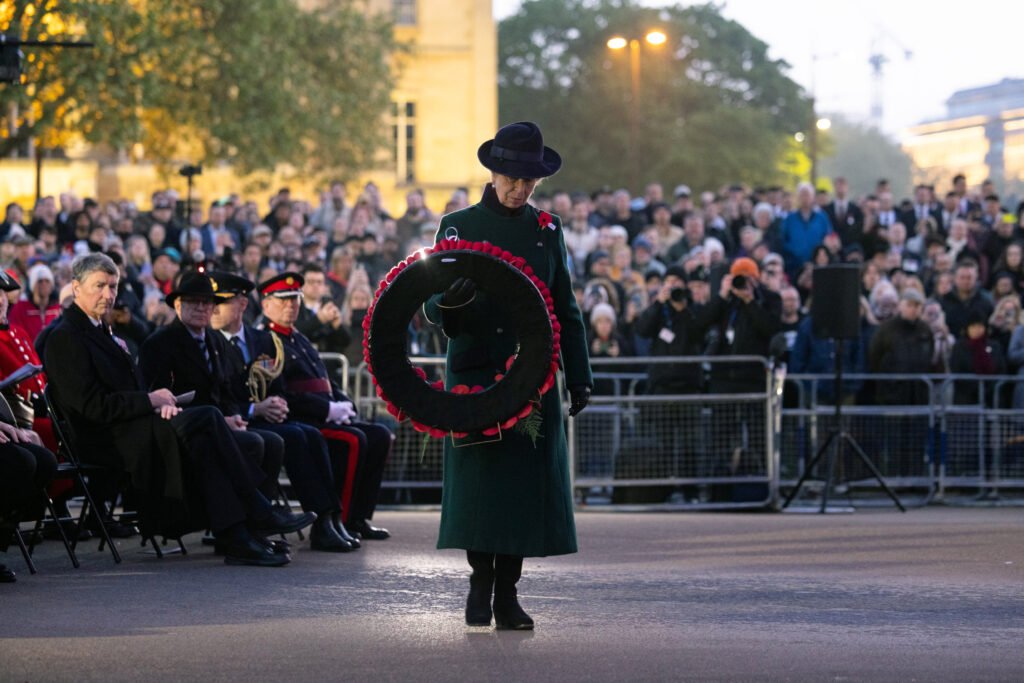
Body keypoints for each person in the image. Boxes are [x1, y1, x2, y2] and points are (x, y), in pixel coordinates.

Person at [422, 121, 592, 630]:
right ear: (493, 172)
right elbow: (428, 302)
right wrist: (447, 302)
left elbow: (565, 304)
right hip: (475, 372)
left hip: (532, 374)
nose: (520, 189)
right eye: (511, 178)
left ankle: (507, 595)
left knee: (520, 486)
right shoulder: (457, 225)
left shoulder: (547, 229)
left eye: (529, 181)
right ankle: (478, 582)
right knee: (480, 485)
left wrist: (579, 373)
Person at [43, 253, 314, 567]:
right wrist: (151, 402)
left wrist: (161, 404)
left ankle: (238, 536)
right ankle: (257, 511)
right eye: (99, 285)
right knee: (209, 418)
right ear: (76, 288)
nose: (108, 294)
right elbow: (91, 407)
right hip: (104, 440)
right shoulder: (65, 336)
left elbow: (127, 392)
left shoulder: (102, 331)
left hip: (135, 425)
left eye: (113, 286)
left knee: (205, 439)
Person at [209, 272, 360, 552]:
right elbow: (219, 395)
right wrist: (255, 407)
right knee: (294, 436)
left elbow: (275, 383)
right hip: (242, 418)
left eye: (223, 302)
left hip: (265, 416)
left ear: (242, 304)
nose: (214, 308)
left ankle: (326, 518)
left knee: (309, 435)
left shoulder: (262, 340)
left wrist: (275, 403)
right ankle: (301, 519)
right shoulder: (213, 341)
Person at [257, 272, 392, 543]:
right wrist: (326, 410)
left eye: (295, 300)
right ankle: (334, 520)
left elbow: (324, 380)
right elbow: (281, 392)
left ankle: (356, 517)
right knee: (354, 440)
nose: (291, 306)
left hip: (324, 412)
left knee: (379, 435)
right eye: (283, 301)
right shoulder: (266, 341)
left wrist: (343, 402)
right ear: (266, 305)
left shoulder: (299, 338)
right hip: (305, 416)